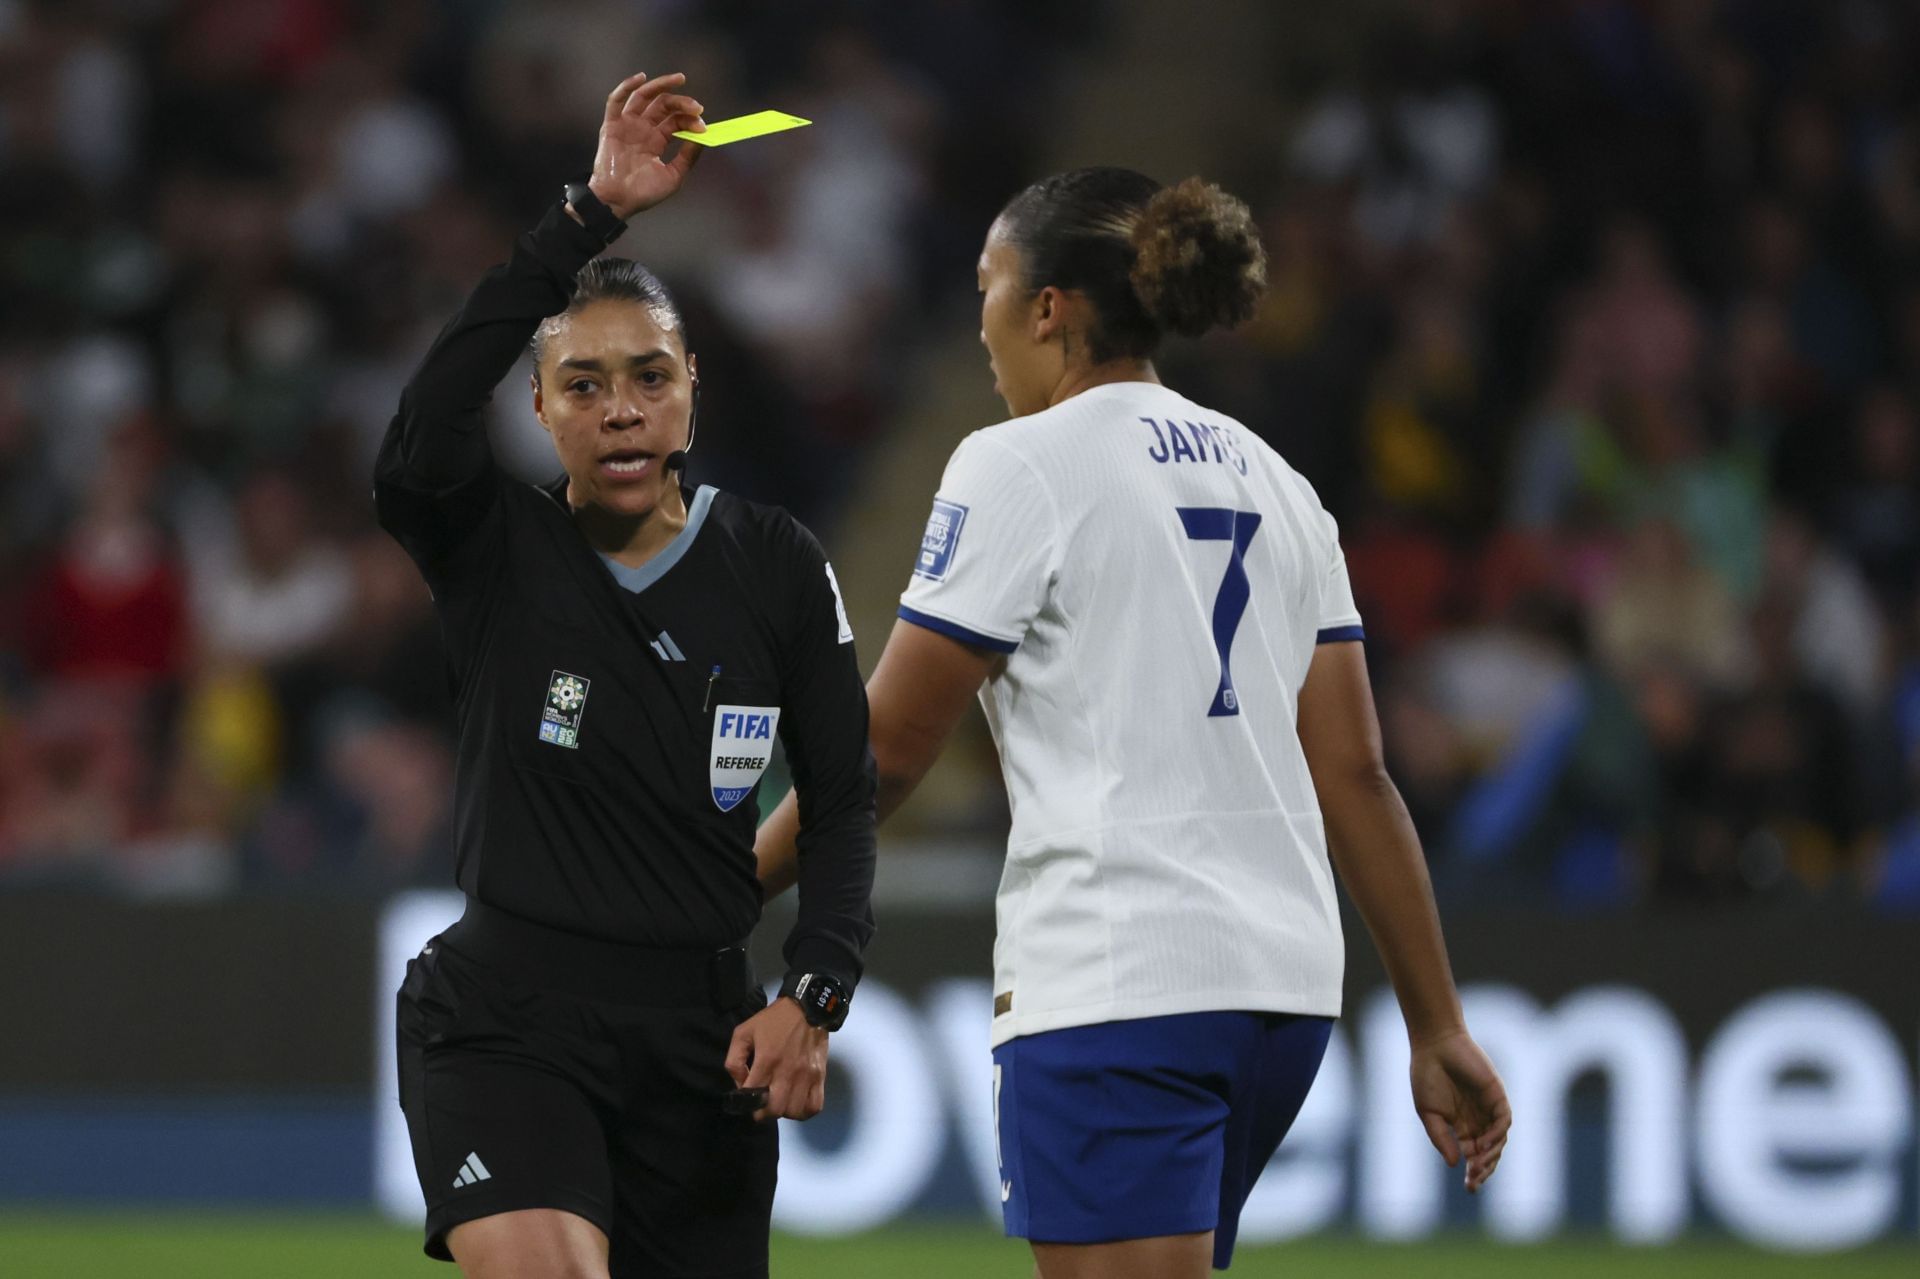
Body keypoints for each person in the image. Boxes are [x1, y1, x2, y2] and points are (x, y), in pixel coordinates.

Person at [755, 167, 1511, 1278]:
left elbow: (889, 748)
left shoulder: (1022, 464)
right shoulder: (1281, 485)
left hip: (1122, 987)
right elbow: (1355, 777)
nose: (980, 326)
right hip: (1281, 1000)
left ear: (1050, 308)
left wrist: (725, 884)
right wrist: (1437, 1024)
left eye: (988, 289)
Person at [375, 72, 877, 1279]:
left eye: (649, 376)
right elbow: (422, 431)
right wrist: (588, 217)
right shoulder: (493, 547)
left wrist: (812, 991)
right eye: (583, 386)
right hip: (505, 1027)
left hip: (702, 1052)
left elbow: (846, 796)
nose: (620, 411)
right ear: (539, 412)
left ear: (692, 392)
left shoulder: (775, 566)